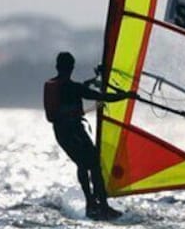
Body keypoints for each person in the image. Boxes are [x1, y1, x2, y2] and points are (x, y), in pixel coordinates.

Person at [44, 51, 133, 220]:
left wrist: (91, 83)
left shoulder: (54, 85)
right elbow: (101, 96)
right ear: (72, 67)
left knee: (83, 164)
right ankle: (102, 206)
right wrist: (127, 95)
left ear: (57, 67)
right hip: (74, 132)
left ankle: (91, 203)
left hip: (61, 133)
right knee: (93, 164)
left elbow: (77, 90)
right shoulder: (73, 87)